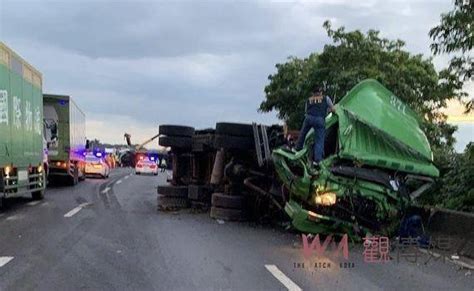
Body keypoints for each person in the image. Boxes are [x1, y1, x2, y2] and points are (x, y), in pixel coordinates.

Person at [295, 87, 336, 167]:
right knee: (319, 140)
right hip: (319, 119)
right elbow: (333, 109)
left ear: (313, 93)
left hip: (309, 118)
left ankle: (297, 149)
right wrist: (328, 111)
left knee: (302, 134)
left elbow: (306, 111)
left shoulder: (309, 100)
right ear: (320, 92)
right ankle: (317, 160)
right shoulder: (326, 98)